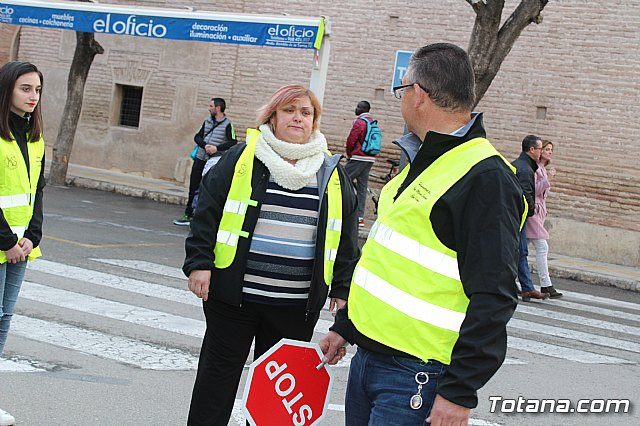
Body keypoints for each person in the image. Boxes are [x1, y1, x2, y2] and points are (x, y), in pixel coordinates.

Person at [319, 43, 527, 426]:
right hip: (370, 359)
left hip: (418, 376)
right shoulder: (422, 160)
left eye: (401, 90)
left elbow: (495, 295)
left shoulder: (486, 178)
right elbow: (389, 260)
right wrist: (346, 327)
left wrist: (458, 392)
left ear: (417, 95)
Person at [183, 84, 359, 425]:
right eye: (289, 110)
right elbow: (207, 210)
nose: (298, 118)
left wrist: (342, 287)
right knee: (215, 385)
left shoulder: (330, 171)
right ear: (273, 116)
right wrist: (199, 264)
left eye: (305, 113)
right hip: (233, 299)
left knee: (276, 401)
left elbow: (346, 232)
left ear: (315, 122)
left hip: (294, 308)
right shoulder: (243, 156)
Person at [0, 61, 46, 426]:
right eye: (25, 89)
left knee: (3, 319)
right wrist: (7, 241)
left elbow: (36, 190)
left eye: (37, 90)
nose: (33, 97)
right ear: (7, 90)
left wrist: (33, 235)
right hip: (3, 243)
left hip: (21, 246)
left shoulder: (34, 136)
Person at [173, 97, 236, 226]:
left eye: (211, 106)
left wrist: (216, 148)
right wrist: (205, 145)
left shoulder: (228, 124)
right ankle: (188, 214)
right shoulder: (206, 122)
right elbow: (197, 136)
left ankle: (200, 217)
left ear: (218, 108)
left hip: (214, 162)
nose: (209, 108)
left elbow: (233, 142)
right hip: (200, 158)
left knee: (207, 189)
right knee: (193, 187)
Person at [512, 135, 549, 301]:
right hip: (519, 216)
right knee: (520, 251)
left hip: (516, 215)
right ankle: (525, 287)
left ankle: (523, 286)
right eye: (540, 148)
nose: (541, 152)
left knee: (519, 251)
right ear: (532, 150)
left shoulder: (522, 165)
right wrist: (531, 209)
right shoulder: (525, 169)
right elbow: (525, 194)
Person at [527, 140, 563, 298]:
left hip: (539, 213)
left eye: (551, 150)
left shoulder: (542, 169)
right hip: (533, 212)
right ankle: (546, 284)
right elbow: (534, 190)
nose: (550, 152)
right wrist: (547, 178)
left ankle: (506, 277)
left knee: (520, 250)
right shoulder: (535, 169)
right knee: (542, 247)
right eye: (547, 149)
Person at [345, 100, 377, 227]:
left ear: (363, 109)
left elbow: (351, 140)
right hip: (369, 159)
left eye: (358, 106)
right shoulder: (372, 122)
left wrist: (349, 154)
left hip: (359, 157)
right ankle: (359, 218)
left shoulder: (359, 122)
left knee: (342, 180)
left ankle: (340, 211)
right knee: (362, 188)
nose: (356, 108)